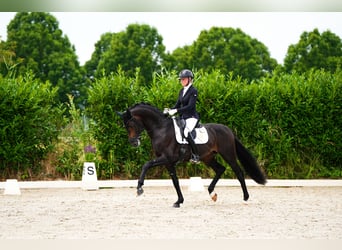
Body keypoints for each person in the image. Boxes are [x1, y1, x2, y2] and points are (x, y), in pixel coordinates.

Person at [164, 69, 200, 164]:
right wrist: (169, 110)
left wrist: (176, 111)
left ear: (190, 79)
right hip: (183, 117)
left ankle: (196, 155)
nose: (181, 81)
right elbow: (177, 104)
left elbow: (190, 106)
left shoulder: (193, 90)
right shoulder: (181, 91)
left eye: (183, 79)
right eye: (181, 79)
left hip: (191, 117)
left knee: (186, 132)